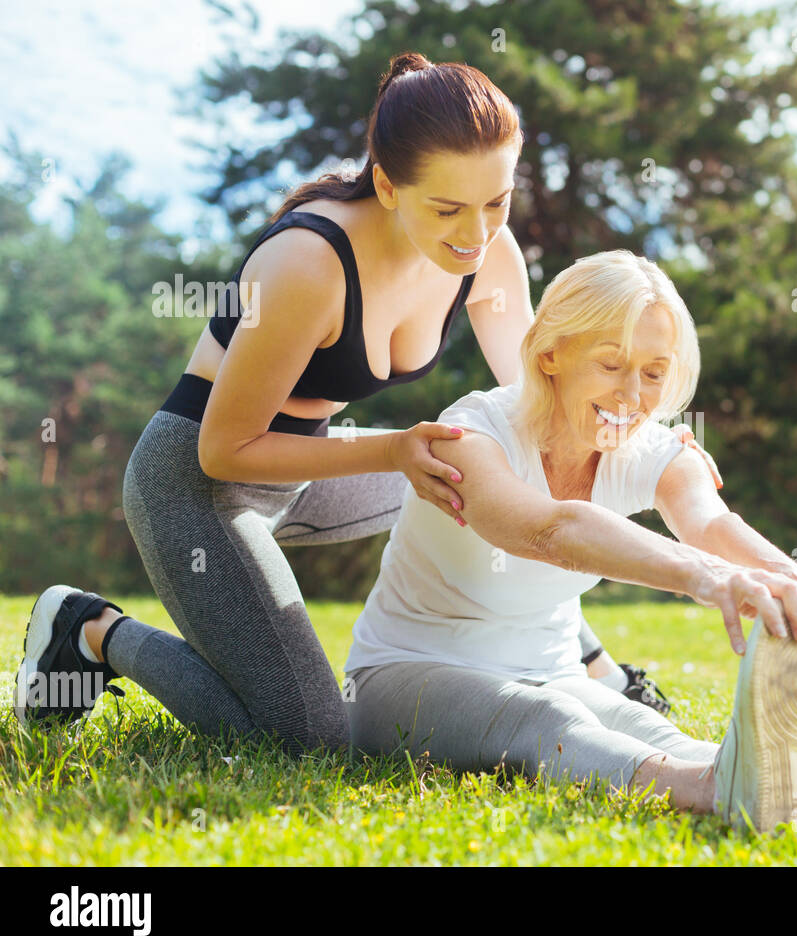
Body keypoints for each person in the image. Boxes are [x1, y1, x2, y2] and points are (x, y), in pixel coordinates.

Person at [12, 53, 712, 752]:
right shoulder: (307, 266)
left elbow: (540, 403)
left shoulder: (487, 257)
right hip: (198, 486)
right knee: (310, 737)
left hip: (311, 469)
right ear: (387, 184)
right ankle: (93, 631)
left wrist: (655, 440)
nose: (474, 232)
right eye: (447, 208)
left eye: (495, 203)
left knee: (477, 471)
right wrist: (392, 450)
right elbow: (223, 449)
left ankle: (596, 669)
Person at [345, 249, 797, 839]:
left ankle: (792, 781)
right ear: (550, 352)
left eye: (653, 373)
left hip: (551, 670)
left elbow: (709, 524)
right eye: (610, 364)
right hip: (404, 675)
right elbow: (549, 530)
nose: (632, 396)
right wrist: (706, 578)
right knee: (549, 720)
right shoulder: (469, 436)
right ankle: (710, 792)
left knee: (646, 727)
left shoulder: (651, 446)